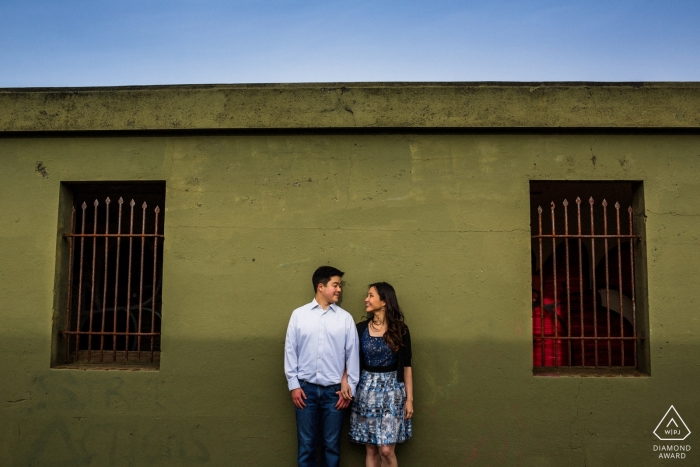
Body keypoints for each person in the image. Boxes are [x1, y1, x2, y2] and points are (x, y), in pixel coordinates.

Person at [284, 266, 360, 467]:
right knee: (306, 446)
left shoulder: (345, 319)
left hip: (334, 394)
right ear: (320, 286)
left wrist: (349, 388)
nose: (339, 290)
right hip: (305, 392)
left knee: (331, 446)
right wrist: (294, 385)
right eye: (335, 285)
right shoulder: (299, 315)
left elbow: (352, 356)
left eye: (340, 286)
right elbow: (291, 351)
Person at [345, 282, 413, 467]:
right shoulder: (360, 329)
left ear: (384, 301)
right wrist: (346, 380)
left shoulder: (401, 330)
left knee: (386, 450)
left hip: (393, 392)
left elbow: (407, 366)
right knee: (372, 449)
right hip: (366, 391)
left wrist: (409, 400)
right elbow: (349, 359)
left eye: (371, 295)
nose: (366, 300)